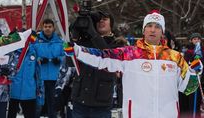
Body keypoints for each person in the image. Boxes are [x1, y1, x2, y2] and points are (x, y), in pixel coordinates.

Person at [64, 10, 201, 118]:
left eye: (157, 27)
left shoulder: (175, 57)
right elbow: (102, 57)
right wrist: (78, 50)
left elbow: (189, 87)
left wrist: (196, 71)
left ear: (162, 31)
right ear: (143, 30)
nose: (153, 30)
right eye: (149, 26)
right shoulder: (129, 54)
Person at [65, 11, 119, 118]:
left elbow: (108, 56)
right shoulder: (85, 41)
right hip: (80, 100)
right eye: (98, 20)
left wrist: (93, 34)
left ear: (111, 24)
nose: (101, 22)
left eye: (105, 19)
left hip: (101, 104)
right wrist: (73, 38)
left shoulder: (118, 43)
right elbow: (70, 62)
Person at [8, 31, 44, 118]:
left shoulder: (34, 52)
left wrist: (40, 89)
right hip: (12, 91)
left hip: (29, 92)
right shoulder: (12, 52)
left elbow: (39, 73)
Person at [33, 19, 64, 118]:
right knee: (38, 103)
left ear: (53, 28)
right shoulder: (36, 40)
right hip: (40, 77)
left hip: (54, 77)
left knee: (52, 103)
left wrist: (59, 59)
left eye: (49, 27)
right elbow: (31, 54)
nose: (47, 29)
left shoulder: (60, 41)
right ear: (42, 27)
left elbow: (65, 55)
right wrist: (39, 59)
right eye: (45, 26)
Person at [180, 32, 203, 117]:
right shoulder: (189, 51)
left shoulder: (202, 50)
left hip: (201, 78)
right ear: (191, 40)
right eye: (194, 39)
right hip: (192, 79)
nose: (196, 40)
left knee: (198, 100)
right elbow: (186, 63)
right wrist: (193, 61)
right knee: (192, 100)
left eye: (198, 39)